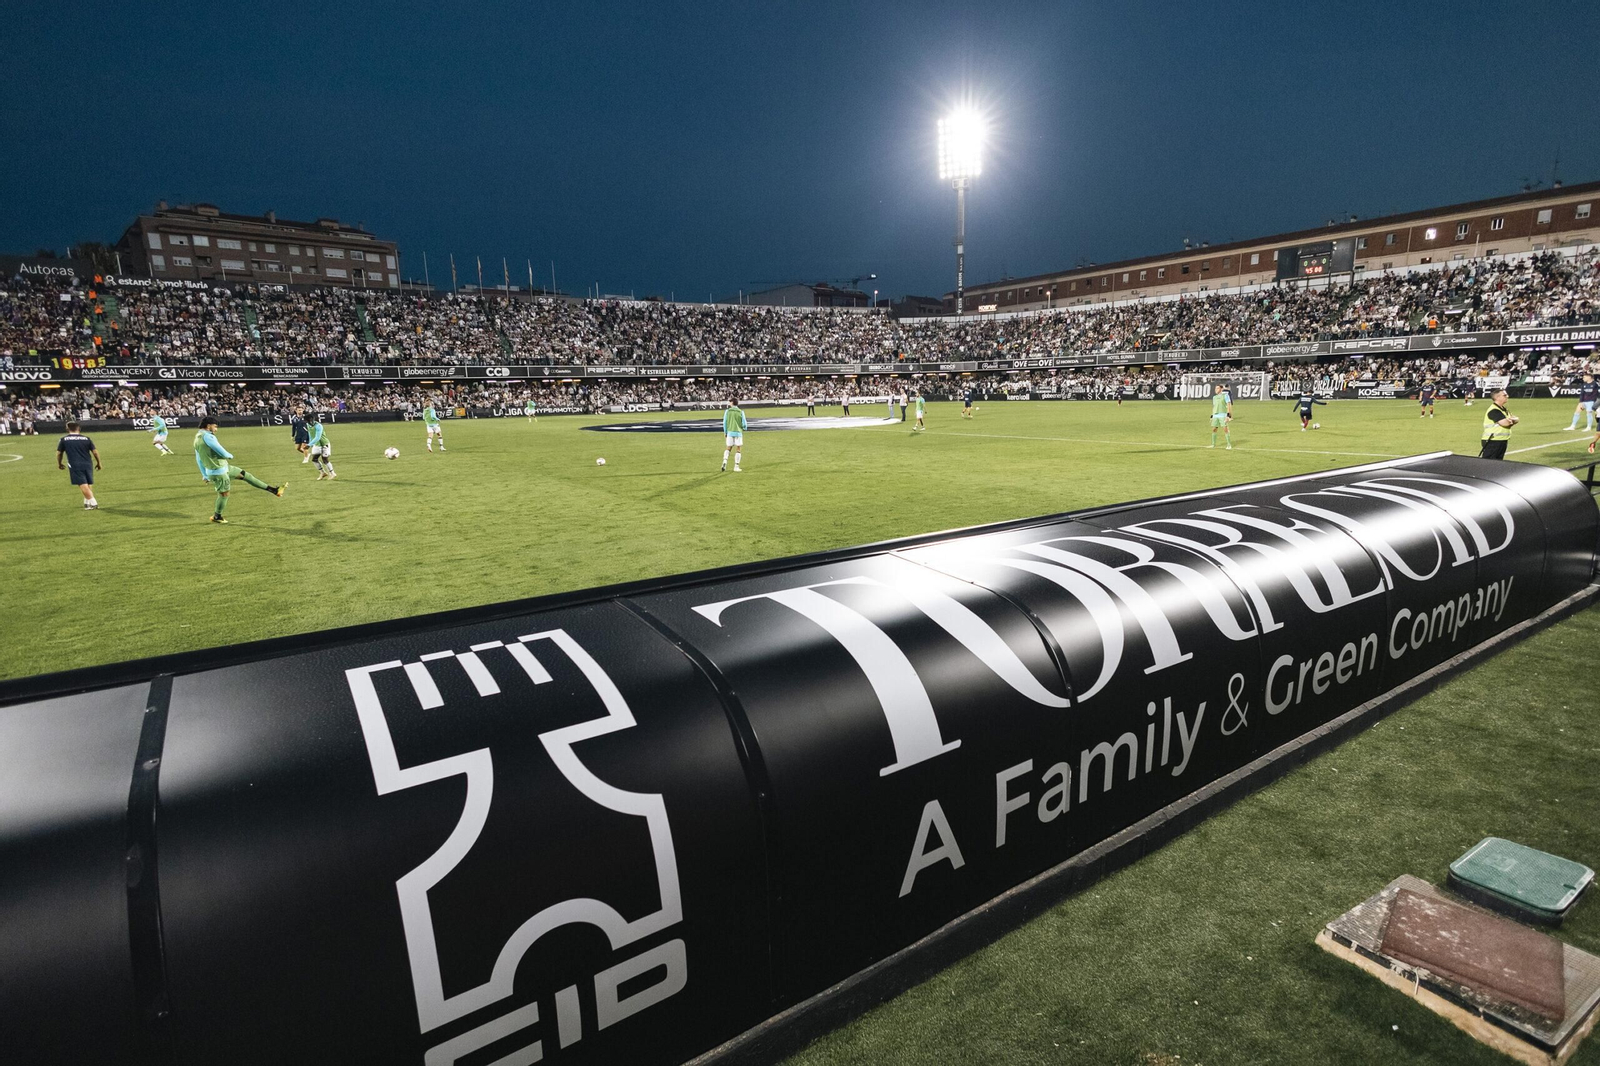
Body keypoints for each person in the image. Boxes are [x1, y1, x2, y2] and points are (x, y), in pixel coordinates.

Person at [195, 415, 284, 523]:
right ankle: (217, 516)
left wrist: (204, 474)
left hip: (223, 468)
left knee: (245, 475)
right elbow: (218, 448)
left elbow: (198, 458)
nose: (216, 429)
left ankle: (274, 490)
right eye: (215, 426)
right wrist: (228, 455)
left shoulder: (197, 437)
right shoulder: (208, 436)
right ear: (208, 426)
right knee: (224, 494)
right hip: (219, 471)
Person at [56, 421, 101, 510]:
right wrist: (99, 463)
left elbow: (58, 453)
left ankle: (93, 502)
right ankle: (87, 502)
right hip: (88, 463)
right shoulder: (87, 439)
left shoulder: (64, 440)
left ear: (67, 429)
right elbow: (95, 452)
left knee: (82, 483)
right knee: (88, 482)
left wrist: (59, 463)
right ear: (79, 429)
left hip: (75, 464)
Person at [1478, 388, 1518, 460]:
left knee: (1497, 464)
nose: (1507, 396)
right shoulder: (1494, 410)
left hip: (1501, 440)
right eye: (1504, 395)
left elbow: (1513, 419)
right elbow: (1505, 423)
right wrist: (1513, 421)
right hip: (1493, 441)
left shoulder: (1503, 409)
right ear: (1497, 397)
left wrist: (1512, 420)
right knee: (1489, 464)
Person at [721, 398, 746, 472]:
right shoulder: (741, 412)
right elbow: (744, 423)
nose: (729, 403)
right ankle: (736, 466)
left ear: (732, 403)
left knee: (728, 447)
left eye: (730, 402)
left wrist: (725, 432)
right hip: (738, 432)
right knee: (738, 449)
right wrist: (744, 428)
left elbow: (724, 423)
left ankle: (725, 461)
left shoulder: (727, 412)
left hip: (730, 432)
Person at [1209, 384, 1233, 449]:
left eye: (1217, 388)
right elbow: (1214, 407)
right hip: (1215, 415)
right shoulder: (1214, 397)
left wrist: (1228, 415)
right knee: (1214, 429)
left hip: (1223, 415)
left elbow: (1228, 405)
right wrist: (1212, 416)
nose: (1216, 390)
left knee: (1225, 429)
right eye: (1215, 388)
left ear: (1221, 389)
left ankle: (1229, 445)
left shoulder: (1225, 396)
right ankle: (1213, 444)